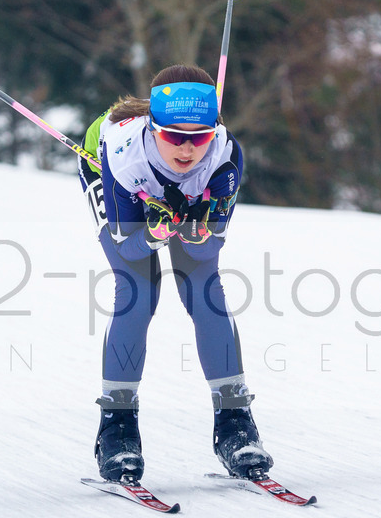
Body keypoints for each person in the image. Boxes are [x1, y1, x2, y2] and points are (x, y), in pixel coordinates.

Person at [77, 64, 273, 483]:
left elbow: (209, 251)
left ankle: (235, 425)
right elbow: (128, 247)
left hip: (186, 191)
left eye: (198, 137)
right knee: (138, 289)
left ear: (214, 131)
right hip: (113, 176)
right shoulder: (124, 154)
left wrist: (200, 226)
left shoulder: (225, 156)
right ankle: (117, 428)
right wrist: (154, 233)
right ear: (153, 127)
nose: (187, 149)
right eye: (173, 137)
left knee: (204, 289)